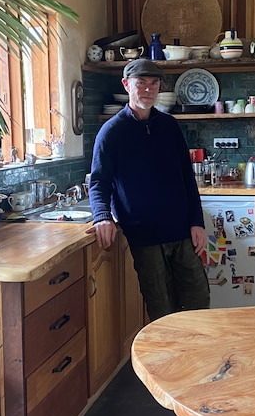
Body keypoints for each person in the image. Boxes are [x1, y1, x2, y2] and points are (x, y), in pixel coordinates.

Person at [87, 58, 209, 320]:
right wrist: (101, 216)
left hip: (181, 232)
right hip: (144, 236)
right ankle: (167, 361)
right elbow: (99, 181)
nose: (148, 89)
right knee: (162, 309)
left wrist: (197, 222)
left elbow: (187, 178)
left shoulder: (169, 126)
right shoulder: (111, 132)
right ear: (126, 85)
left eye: (154, 83)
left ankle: (196, 358)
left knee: (198, 300)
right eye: (141, 83)